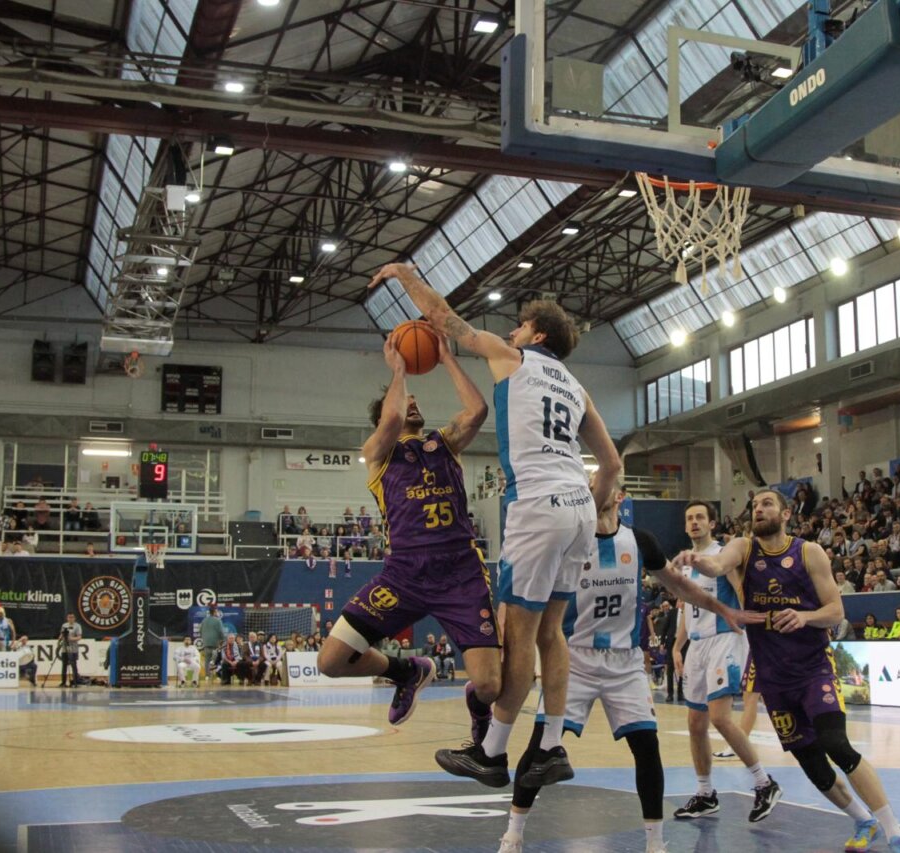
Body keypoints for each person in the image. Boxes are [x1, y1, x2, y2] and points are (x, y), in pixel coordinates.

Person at [371, 263, 622, 789]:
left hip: (537, 505)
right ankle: (551, 745)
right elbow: (614, 465)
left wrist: (405, 274)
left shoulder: (514, 358)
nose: (510, 332)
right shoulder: (579, 389)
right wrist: (595, 516)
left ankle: (492, 752)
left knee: (518, 634)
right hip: (578, 501)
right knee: (553, 633)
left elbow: (441, 317)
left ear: (538, 334)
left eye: (519, 325)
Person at [497, 490, 753, 853]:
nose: (593, 491)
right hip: (575, 660)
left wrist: (720, 608)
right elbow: (524, 586)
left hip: (625, 661)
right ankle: (513, 834)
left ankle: (654, 842)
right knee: (541, 744)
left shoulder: (639, 540)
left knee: (647, 746)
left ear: (618, 495)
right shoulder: (569, 539)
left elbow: (678, 584)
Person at [677, 489, 900, 853]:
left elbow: (836, 611)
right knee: (811, 763)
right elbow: (715, 565)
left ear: (786, 513)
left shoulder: (809, 552)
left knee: (835, 744)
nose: (759, 509)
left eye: (767, 504)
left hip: (813, 669)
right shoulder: (744, 548)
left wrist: (806, 616)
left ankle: (896, 833)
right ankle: (862, 819)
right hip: (773, 677)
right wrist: (695, 560)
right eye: (755, 505)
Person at [318, 328, 503, 749]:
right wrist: (399, 369)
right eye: (406, 400)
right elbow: (394, 419)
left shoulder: (444, 444)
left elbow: (476, 410)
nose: (412, 402)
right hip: (403, 574)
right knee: (330, 662)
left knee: (491, 685)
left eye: (415, 399)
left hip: (459, 572)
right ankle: (405, 671)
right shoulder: (378, 453)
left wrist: (447, 357)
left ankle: (478, 706)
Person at [672, 500, 782, 823]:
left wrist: (754, 627)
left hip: (725, 639)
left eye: (700, 518)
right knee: (695, 724)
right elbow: (685, 609)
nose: (694, 522)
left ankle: (765, 782)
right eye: (689, 518)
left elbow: (742, 593)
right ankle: (706, 794)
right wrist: (678, 646)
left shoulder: (724, 556)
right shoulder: (686, 564)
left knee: (720, 718)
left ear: (712, 524)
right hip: (697, 645)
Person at [199, 605, 226, 683]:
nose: (217, 613)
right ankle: (217, 676)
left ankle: (207, 676)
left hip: (206, 643)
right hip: (216, 644)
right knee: (216, 660)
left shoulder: (204, 621)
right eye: (217, 611)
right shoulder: (218, 621)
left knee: (207, 660)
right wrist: (223, 640)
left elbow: (200, 631)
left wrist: (205, 639)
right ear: (214, 612)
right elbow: (221, 632)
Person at [58, 612, 82, 687]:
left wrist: (71, 639)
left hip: (73, 648)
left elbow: (79, 637)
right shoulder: (64, 625)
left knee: (73, 665)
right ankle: (63, 682)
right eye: (69, 617)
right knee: (64, 665)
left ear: (74, 618)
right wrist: (60, 639)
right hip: (65, 648)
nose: (71, 619)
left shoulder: (77, 626)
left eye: (72, 617)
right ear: (67, 618)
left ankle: (75, 682)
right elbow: (62, 634)